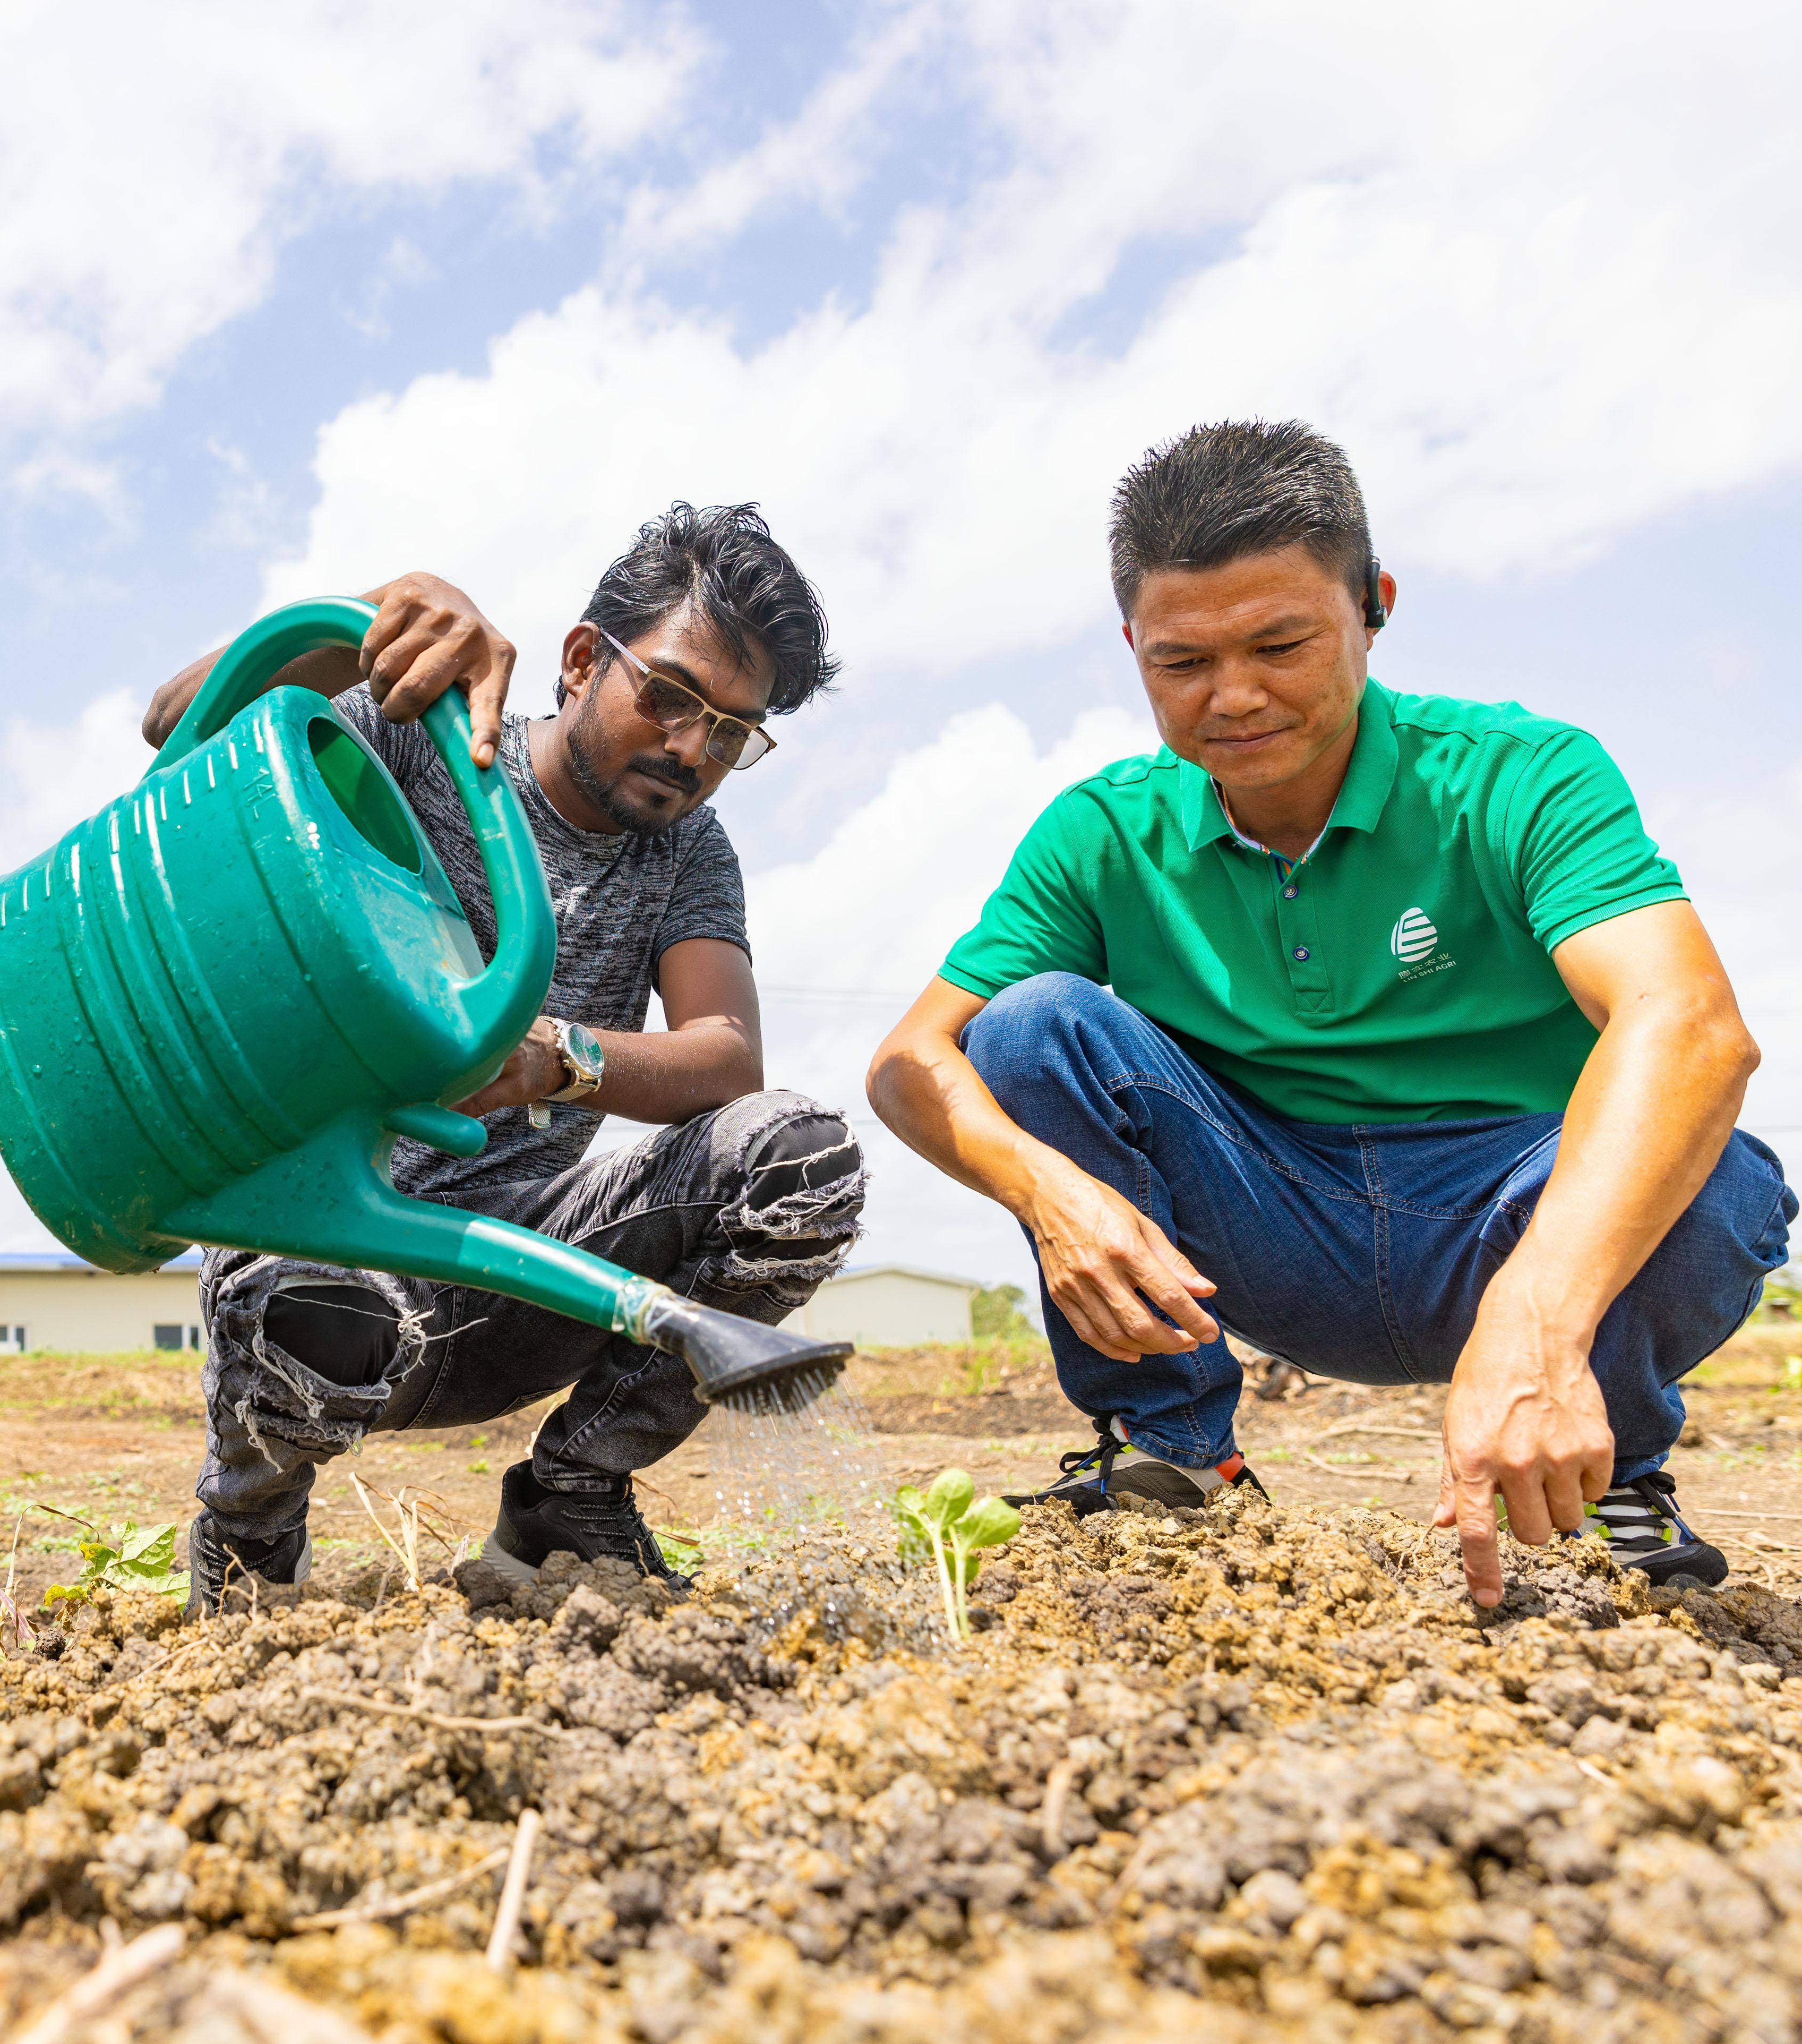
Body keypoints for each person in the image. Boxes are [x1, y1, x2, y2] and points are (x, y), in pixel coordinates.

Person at [866, 420, 1790, 1604]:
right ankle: (1172, 1461)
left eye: (1280, 643)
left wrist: (1541, 1308)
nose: (1233, 697)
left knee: (1719, 1176)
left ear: (1374, 606)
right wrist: (1045, 1194)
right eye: (1181, 663)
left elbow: (1694, 1026)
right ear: (1133, 647)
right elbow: (910, 1060)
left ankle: (1604, 1477)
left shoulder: (1522, 775)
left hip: (1511, 1208)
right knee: (1026, 1027)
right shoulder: (1103, 833)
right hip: (1266, 1224)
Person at [140, 507, 865, 1613]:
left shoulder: (686, 855)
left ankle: (572, 1489)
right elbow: (174, 724)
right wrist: (373, 623)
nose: (690, 750)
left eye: (731, 732)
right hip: (331, 1262)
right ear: (583, 660)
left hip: (523, 1273)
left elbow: (725, 1058)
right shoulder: (412, 738)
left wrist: (555, 1059)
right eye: (669, 697)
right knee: (310, 1299)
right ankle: (249, 1531)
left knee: (796, 1160)